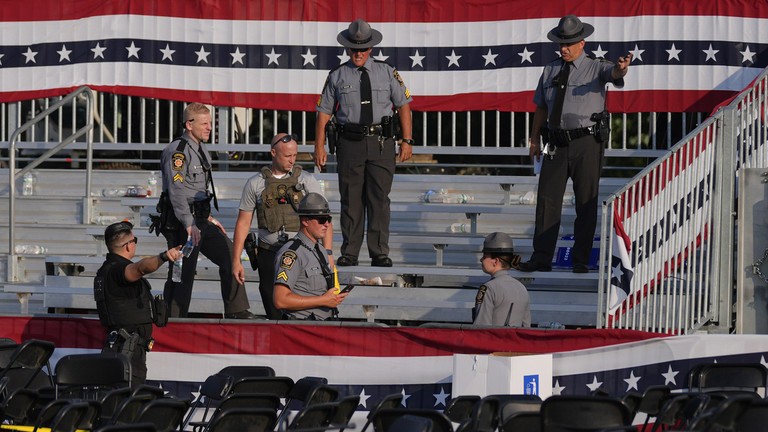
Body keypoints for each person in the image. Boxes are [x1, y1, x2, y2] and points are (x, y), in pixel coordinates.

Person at [518, 15, 632, 274]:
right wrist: (534, 139)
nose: (564, 48)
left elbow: (614, 73)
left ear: (582, 43)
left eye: (568, 44)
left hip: (586, 143)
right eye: (561, 43)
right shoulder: (550, 69)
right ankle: (541, 258)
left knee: (585, 202)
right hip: (555, 143)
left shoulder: (596, 67)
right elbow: (541, 107)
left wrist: (622, 69)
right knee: (547, 201)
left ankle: (580, 259)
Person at [314, 18, 414, 268]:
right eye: (353, 49)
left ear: (371, 48)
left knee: (379, 199)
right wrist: (319, 146)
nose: (358, 53)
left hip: (381, 143)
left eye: (363, 49)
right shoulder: (337, 75)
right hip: (350, 143)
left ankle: (379, 252)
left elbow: (403, 105)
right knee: (351, 200)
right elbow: (324, 113)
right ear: (347, 48)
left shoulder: (387, 72)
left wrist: (407, 140)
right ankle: (350, 252)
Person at [159, 102, 254, 318]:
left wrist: (208, 217)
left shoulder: (200, 147)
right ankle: (173, 319)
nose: (209, 128)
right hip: (183, 223)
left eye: (210, 123)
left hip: (201, 219)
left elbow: (197, 190)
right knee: (182, 271)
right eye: (204, 124)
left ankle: (237, 310)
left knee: (230, 254)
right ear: (189, 125)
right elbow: (176, 191)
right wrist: (189, 223)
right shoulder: (178, 152)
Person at [232, 133, 333, 320]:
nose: (292, 160)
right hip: (269, 252)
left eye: (294, 155)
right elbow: (243, 222)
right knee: (273, 308)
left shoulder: (306, 181)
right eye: (287, 156)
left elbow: (324, 218)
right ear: (273, 153)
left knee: (301, 309)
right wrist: (236, 260)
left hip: (302, 254)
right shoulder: (255, 183)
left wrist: (328, 253)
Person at [94, 221, 182, 385]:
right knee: (127, 396)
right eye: (134, 241)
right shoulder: (116, 270)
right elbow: (140, 268)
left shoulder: (108, 270)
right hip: (127, 352)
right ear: (128, 246)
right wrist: (163, 257)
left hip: (125, 350)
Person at [273, 193, 348, 320]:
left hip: (323, 324)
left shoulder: (320, 250)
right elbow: (280, 300)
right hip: (302, 326)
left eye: (328, 219)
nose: (326, 224)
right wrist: (323, 300)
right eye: (321, 220)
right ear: (305, 221)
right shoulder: (292, 254)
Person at [473, 232, 531, 327]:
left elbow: (481, 327)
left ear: (496, 261)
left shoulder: (488, 288)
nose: (481, 260)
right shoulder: (521, 287)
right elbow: (526, 326)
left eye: (484, 256)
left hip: (494, 337)